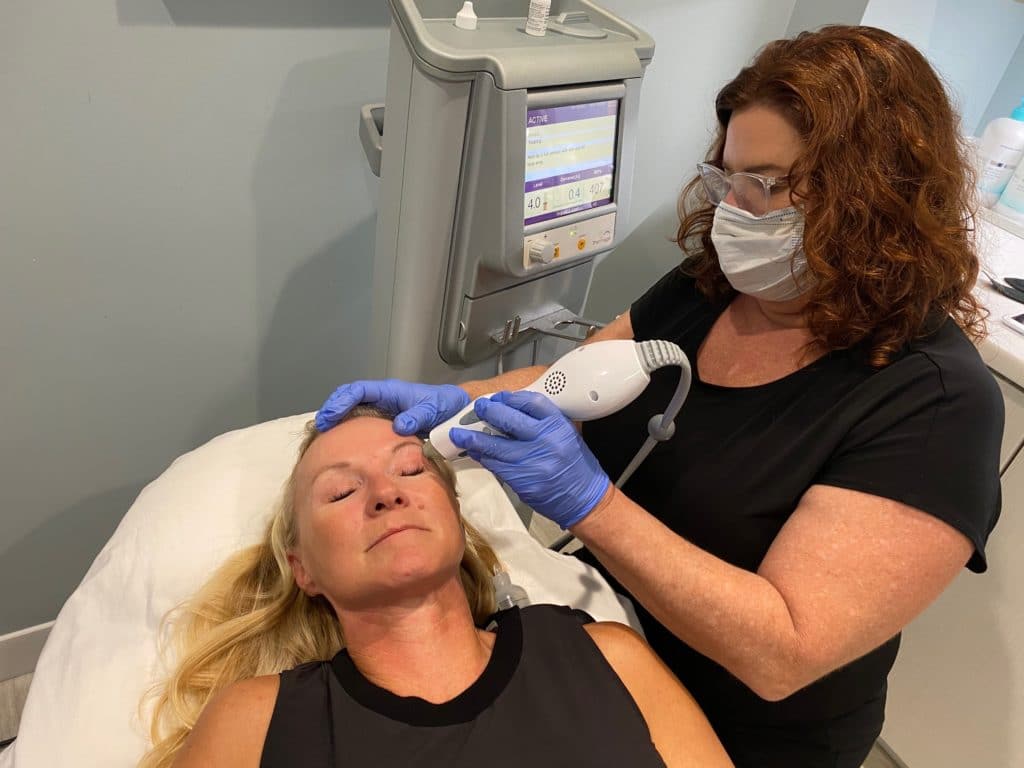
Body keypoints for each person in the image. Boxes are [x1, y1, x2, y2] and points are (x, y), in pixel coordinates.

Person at [314, 25, 1004, 768]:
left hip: (744, 732)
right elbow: (569, 380)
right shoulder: (712, 286)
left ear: (876, 196)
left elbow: (784, 652)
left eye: (765, 185)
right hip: (599, 653)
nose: (733, 210)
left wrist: (591, 506)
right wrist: (452, 400)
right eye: (726, 179)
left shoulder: (935, 405)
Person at [139, 407, 732, 768]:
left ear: (452, 511)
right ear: (304, 570)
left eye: (410, 469)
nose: (386, 493)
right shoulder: (261, 720)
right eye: (341, 493)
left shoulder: (606, 659)